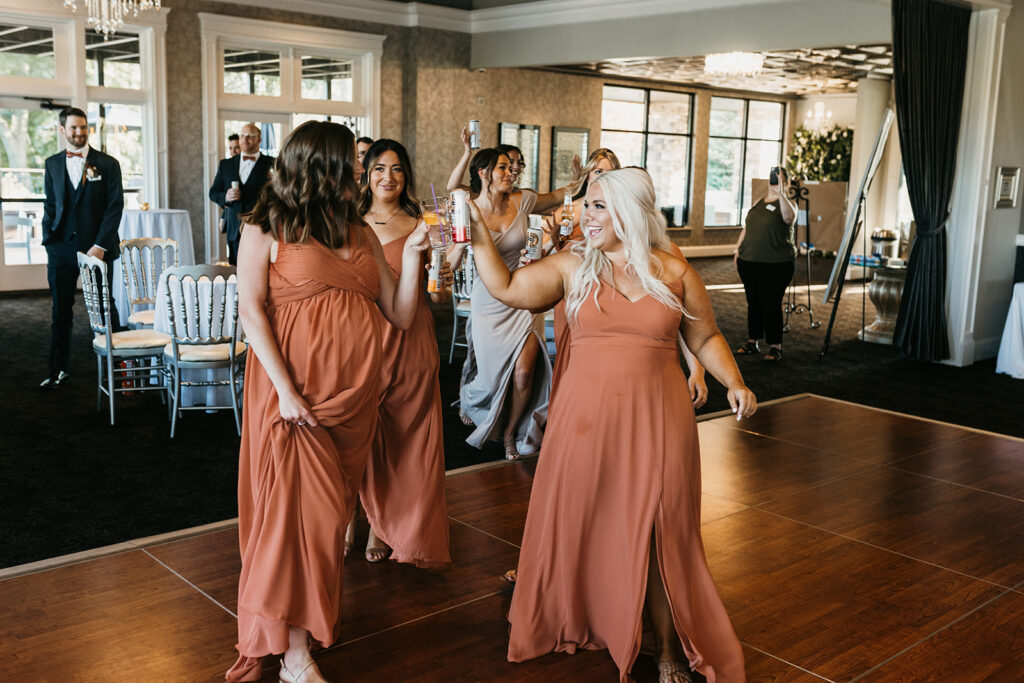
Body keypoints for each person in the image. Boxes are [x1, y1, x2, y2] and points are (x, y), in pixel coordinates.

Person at [467, 167, 754, 683]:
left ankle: (667, 646)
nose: (585, 215)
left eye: (597, 206)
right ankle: (594, 613)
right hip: (585, 418)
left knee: (660, 528)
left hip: (658, 418)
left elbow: (706, 336)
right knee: (589, 517)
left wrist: (734, 381)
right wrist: (477, 232)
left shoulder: (673, 272)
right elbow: (508, 287)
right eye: (585, 204)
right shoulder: (573, 265)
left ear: (629, 211)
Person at [227, 121, 431, 683]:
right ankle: (295, 654)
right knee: (298, 520)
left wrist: (413, 255)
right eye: (352, 162)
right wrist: (288, 392)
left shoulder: (360, 231)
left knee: (328, 520)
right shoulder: (264, 227)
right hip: (294, 398)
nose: (362, 172)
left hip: (353, 400)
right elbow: (251, 312)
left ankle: (302, 631)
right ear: (322, 166)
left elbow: (401, 314)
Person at [346, 139, 452, 566]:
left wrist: (442, 276)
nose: (387, 177)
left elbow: (440, 297)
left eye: (396, 169)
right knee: (359, 433)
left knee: (403, 435)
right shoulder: (348, 220)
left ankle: (382, 526)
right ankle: (354, 515)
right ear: (366, 174)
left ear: (406, 175)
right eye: (378, 168)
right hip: (362, 338)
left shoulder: (425, 222)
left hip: (411, 338)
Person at [446, 143, 570, 460]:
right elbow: (452, 260)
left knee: (526, 371)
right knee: (489, 377)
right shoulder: (470, 208)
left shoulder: (522, 200)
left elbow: (558, 197)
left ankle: (510, 431)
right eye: (503, 167)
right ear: (484, 173)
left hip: (523, 295)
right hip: (489, 299)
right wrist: (457, 249)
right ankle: (470, 396)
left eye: (512, 166)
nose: (511, 172)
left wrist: (585, 178)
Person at [39, 106, 124, 388]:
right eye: (73, 128)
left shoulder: (108, 164)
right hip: (61, 247)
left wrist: (100, 246)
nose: (79, 132)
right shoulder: (52, 164)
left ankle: (117, 369)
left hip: (97, 249)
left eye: (83, 127)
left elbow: (114, 208)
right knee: (60, 310)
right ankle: (57, 370)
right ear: (62, 130)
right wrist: (50, 239)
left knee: (104, 306)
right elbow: (51, 204)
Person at [732, 166, 797, 362]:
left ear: (786, 182)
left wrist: (781, 194)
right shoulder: (758, 202)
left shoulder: (789, 204)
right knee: (754, 302)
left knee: (771, 302)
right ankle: (753, 341)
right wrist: (737, 249)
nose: (773, 180)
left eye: (778, 178)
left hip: (777, 264)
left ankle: (775, 346)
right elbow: (747, 227)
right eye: (772, 177)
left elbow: (788, 218)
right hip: (749, 261)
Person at [209, 123, 275, 265]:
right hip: (234, 229)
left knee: (261, 268)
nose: (245, 140)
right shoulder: (225, 165)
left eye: (250, 136)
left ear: (259, 139)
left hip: (262, 227)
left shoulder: (272, 163)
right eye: (242, 135)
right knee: (235, 270)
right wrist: (225, 197)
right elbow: (213, 193)